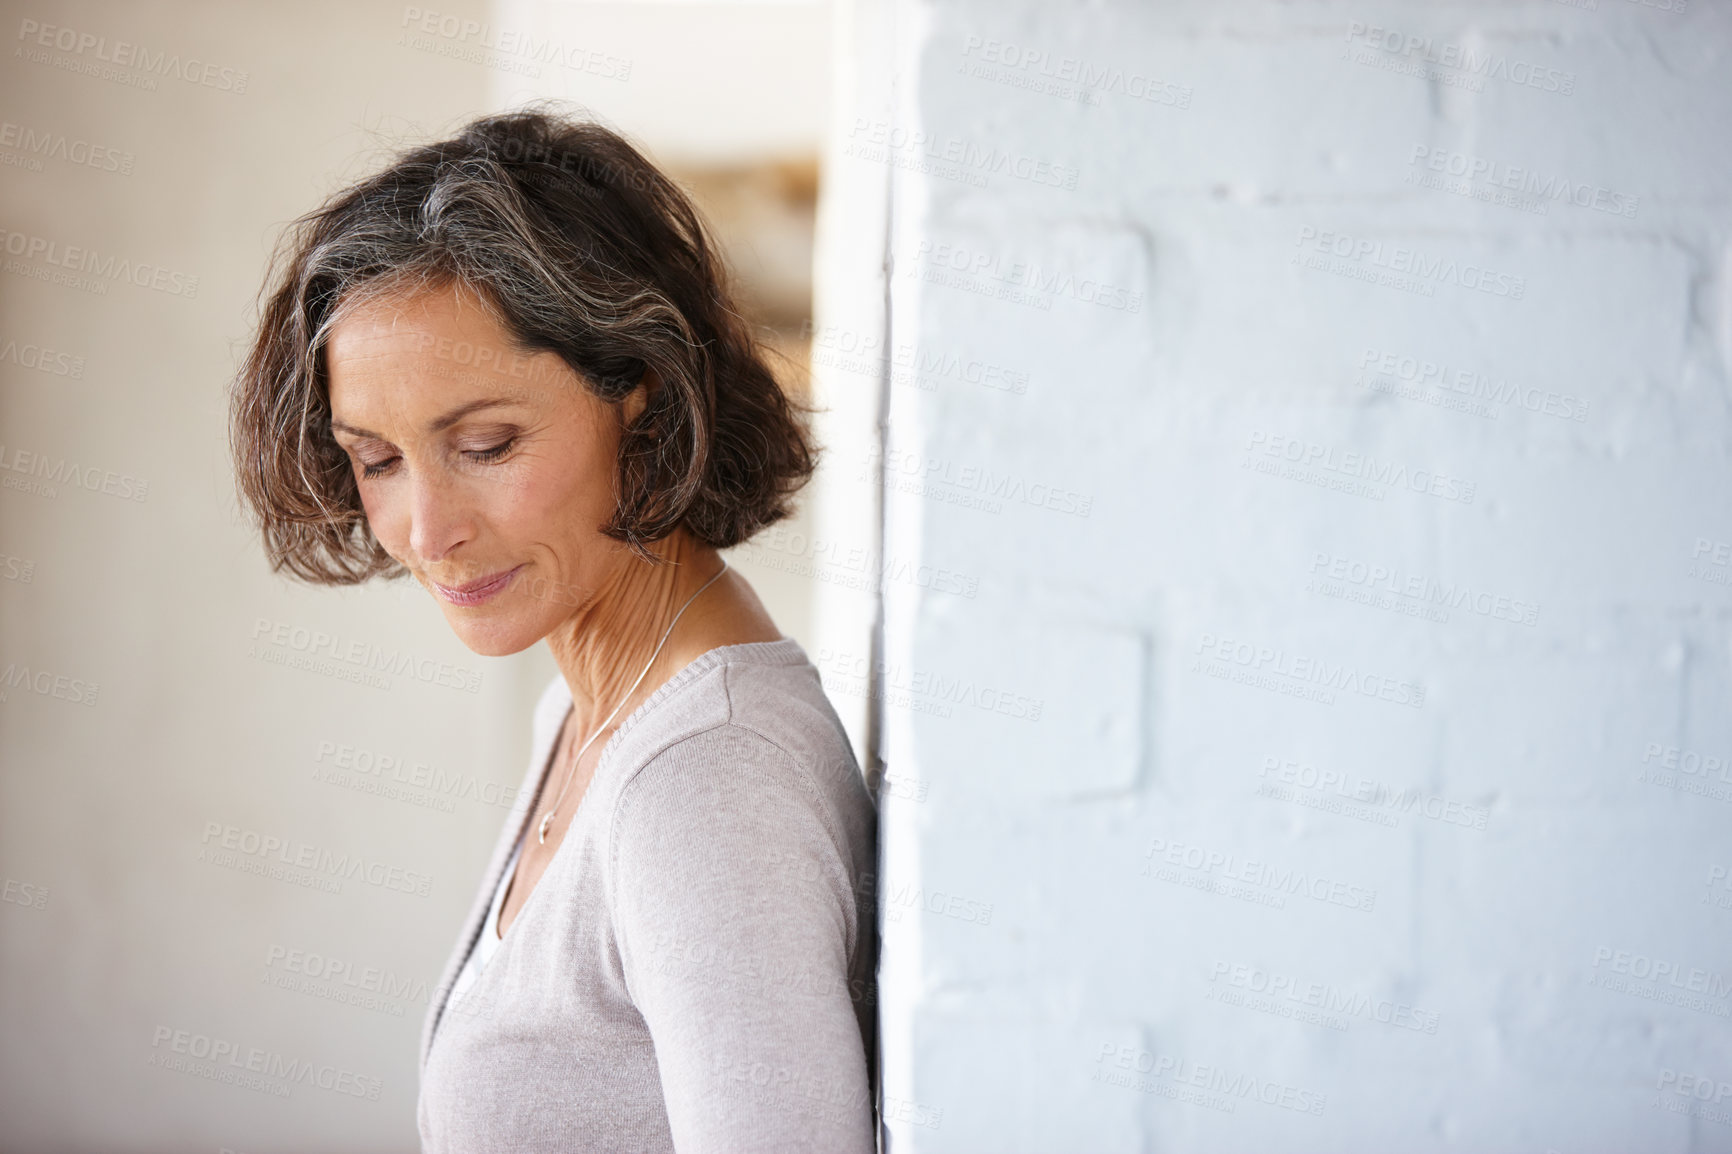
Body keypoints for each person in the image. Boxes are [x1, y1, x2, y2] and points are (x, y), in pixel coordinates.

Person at [228, 107, 878, 1152]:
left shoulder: (702, 776)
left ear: (644, 396)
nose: (426, 531)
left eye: (486, 443)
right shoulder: (586, 715)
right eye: (377, 459)